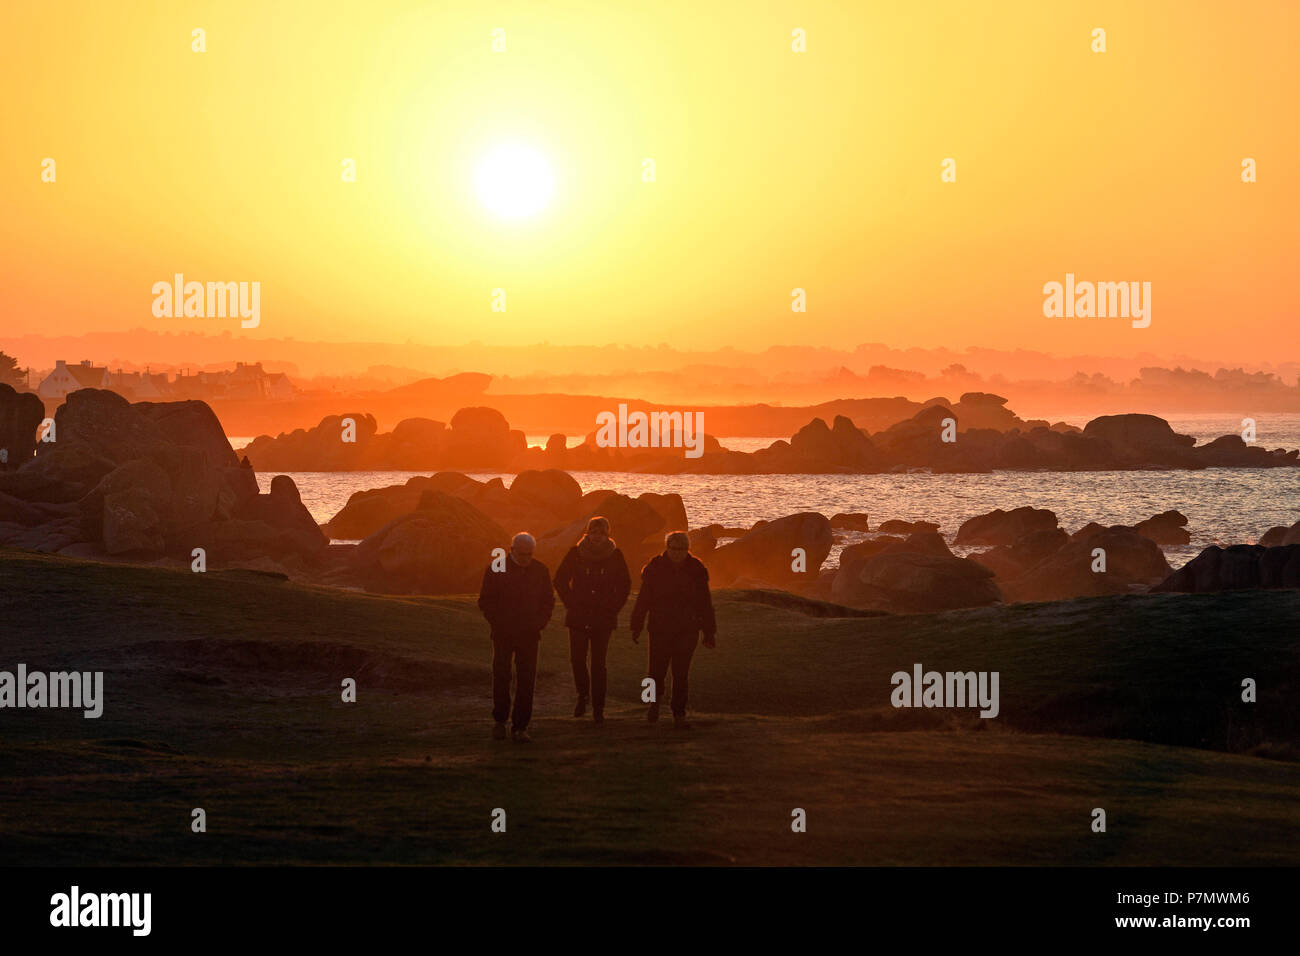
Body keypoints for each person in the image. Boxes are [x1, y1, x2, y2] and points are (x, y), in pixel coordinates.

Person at [630, 531, 717, 729]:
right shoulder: (655, 568)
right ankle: (652, 705)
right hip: (660, 628)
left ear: (687, 549)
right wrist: (637, 624)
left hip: (687, 628)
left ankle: (679, 711)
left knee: (681, 673)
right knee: (655, 671)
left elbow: (705, 603)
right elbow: (644, 600)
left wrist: (709, 631)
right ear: (667, 547)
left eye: (682, 549)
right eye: (674, 548)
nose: (677, 553)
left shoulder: (696, 569)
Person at [553, 516, 631, 724]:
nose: (597, 537)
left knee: (599, 664)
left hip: (603, 618)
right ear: (587, 533)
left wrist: (612, 608)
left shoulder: (615, 556)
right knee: (577, 660)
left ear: (607, 535)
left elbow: (625, 585)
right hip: (578, 615)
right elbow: (560, 579)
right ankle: (583, 695)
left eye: (602, 533)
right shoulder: (575, 553)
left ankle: (598, 707)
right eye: (594, 532)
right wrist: (571, 602)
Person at [477, 532, 555, 742]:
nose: (526, 559)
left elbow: (548, 601)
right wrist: (499, 622)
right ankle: (500, 721)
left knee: (527, 681)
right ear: (511, 550)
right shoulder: (496, 568)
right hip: (503, 633)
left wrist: (539, 623)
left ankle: (520, 727)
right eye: (522, 554)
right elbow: (485, 601)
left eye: (529, 554)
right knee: (501, 676)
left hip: (530, 635)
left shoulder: (540, 570)